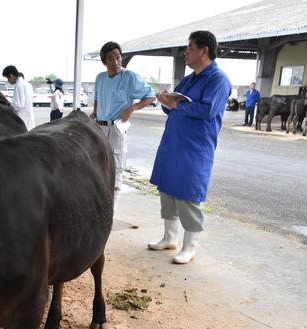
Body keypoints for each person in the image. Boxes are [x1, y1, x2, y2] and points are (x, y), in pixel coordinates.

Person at [148, 30, 231, 264]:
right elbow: (174, 106)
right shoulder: (189, 78)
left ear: (204, 50)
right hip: (174, 144)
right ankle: (169, 238)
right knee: (167, 191)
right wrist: (166, 102)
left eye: (190, 49)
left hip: (195, 148)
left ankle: (189, 247)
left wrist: (175, 105)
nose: (186, 53)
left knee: (188, 196)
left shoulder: (218, 79)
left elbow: (208, 110)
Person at [90, 41, 156, 212]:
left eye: (118, 57)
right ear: (105, 61)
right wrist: (94, 113)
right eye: (111, 58)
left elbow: (151, 96)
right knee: (98, 163)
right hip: (99, 126)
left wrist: (132, 108)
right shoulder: (100, 78)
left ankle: (111, 212)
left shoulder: (130, 77)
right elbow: (97, 98)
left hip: (117, 128)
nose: (116, 62)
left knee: (116, 167)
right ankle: (98, 204)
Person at [2, 65, 34, 130]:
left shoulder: (19, 85)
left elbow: (18, 105)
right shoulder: (27, 84)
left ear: (11, 75)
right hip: (27, 116)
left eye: (7, 78)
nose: (8, 80)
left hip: (22, 118)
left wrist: (7, 103)